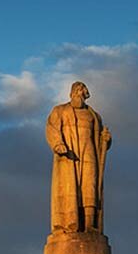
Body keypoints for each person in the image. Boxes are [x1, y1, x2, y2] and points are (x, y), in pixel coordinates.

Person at [45, 81, 112, 233]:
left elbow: (101, 139)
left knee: (90, 187)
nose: (80, 92)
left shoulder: (94, 115)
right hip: (69, 155)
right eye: (78, 89)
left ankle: (90, 226)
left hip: (89, 153)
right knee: (70, 190)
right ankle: (69, 224)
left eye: (83, 90)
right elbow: (51, 128)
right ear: (72, 92)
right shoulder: (60, 110)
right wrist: (58, 144)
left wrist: (106, 140)